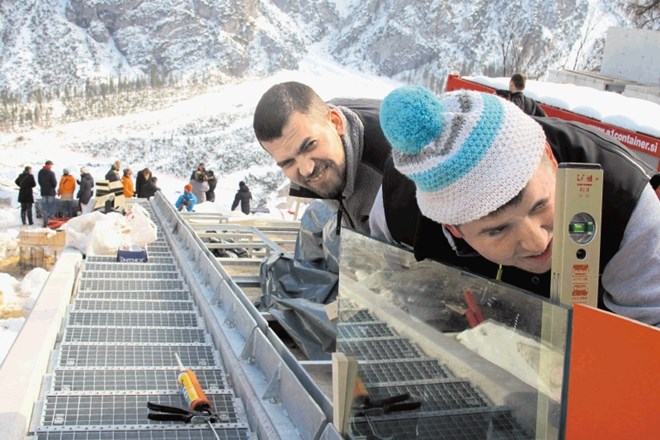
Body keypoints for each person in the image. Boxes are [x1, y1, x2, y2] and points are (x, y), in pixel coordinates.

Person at [372, 86, 660, 327]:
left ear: (549, 157)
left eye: (541, 205)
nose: (537, 241)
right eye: (498, 229)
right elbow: (385, 285)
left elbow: (649, 344)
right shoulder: (399, 206)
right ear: (453, 229)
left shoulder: (626, 206)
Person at [253, 81, 397, 235]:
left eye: (309, 145)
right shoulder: (312, 124)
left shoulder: (399, 167)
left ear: (336, 123)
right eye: (288, 162)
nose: (306, 170)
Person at [37, 160, 58, 227]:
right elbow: (54, 183)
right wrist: (52, 187)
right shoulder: (51, 173)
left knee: (45, 208)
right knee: (51, 207)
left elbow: (39, 181)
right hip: (50, 192)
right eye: (51, 165)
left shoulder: (40, 172)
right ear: (49, 165)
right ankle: (51, 223)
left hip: (43, 192)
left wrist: (43, 186)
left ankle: (45, 222)